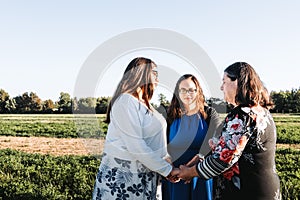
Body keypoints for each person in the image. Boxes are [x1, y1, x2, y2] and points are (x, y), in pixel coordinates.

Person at [178, 62, 281, 200]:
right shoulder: (261, 112)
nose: (221, 87)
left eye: (224, 81)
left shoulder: (241, 115)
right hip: (265, 188)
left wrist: (190, 172)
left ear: (238, 82)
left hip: (246, 191)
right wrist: (198, 160)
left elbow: (223, 160)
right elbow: (223, 145)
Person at [92, 57, 179, 200]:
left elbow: (156, 142)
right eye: (154, 72)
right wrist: (168, 170)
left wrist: (166, 161)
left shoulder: (146, 105)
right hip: (123, 180)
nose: (157, 78)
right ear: (141, 74)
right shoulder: (125, 101)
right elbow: (136, 146)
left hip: (144, 179)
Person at [161, 74, 222, 200]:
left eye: (191, 90)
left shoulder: (210, 114)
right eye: (183, 90)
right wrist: (171, 169)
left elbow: (214, 139)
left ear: (197, 91)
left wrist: (191, 168)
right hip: (174, 175)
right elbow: (161, 144)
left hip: (201, 173)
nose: (187, 94)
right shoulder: (169, 115)